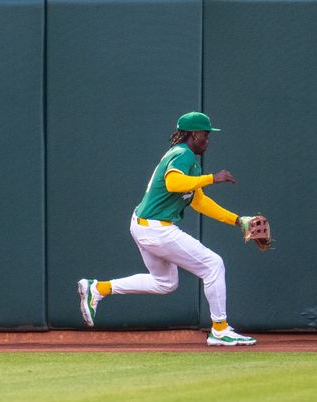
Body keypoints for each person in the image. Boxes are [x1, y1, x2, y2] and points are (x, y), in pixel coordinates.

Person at [78, 111, 258, 346]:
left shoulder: (186, 159)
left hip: (144, 226)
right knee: (213, 265)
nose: (208, 139)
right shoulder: (182, 154)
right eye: (205, 134)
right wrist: (212, 178)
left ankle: (98, 288)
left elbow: (199, 201)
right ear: (194, 134)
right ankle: (220, 329)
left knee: (165, 283)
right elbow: (174, 183)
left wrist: (237, 220)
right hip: (156, 229)